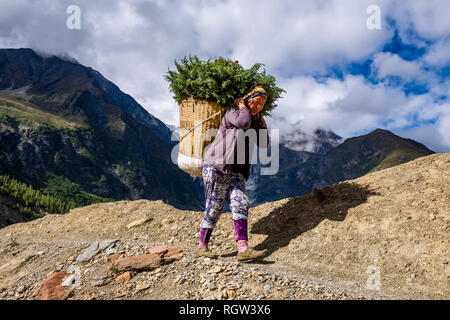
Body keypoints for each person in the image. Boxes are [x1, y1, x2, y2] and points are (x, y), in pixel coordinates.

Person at [195, 84, 269, 261]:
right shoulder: (233, 112)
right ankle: (202, 246)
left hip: (237, 170)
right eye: (255, 102)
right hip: (217, 166)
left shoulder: (255, 121)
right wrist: (242, 106)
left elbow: (264, 143)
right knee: (215, 207)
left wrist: (263, 124)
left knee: (241, 202)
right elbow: (243, 123)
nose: (257, 107)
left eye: (261, 105)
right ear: (248, 99)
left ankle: (243, 249)